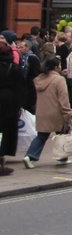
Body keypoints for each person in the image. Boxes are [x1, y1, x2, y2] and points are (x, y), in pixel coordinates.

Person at [22, 56, 72, 167]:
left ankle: (29, 156)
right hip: (56, 112)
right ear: (56, 67)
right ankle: (62, 157)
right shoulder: (59, 79)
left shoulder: (39, 79)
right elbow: (63, 98)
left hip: (41, 112)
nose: (60, 67)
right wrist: (67, 113)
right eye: (59, 65)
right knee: (62, 135)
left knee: (41, 136)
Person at [0, 41, 24, 175]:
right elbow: (20, 87)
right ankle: (1, 158)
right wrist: (19, 105)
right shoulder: (14, 68)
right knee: (5, 132)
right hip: (9, 103)